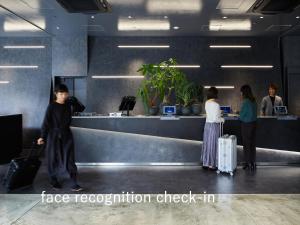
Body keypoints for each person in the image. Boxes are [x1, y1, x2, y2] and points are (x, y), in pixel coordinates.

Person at [37, 84, 83, 191]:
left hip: (66, 135)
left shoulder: (69, 104)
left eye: (65, 94)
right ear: (56, 94)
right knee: (53, 158)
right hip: (53, 135)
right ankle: (54, 181)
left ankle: (74, 182)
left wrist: (76, 101)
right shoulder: (51, 106)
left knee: (70, 159)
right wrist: (42, 136)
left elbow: (81, 109)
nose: (63, 96)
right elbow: (46, 122)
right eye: (61, 94)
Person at [202, 87, 224, 171]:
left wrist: (218, 112)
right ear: (215, 94)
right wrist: (222, 119)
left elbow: (211, 114)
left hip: (207, 125)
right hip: (213, 126)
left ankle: (206, 163)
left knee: (207, 144)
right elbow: (215, 119)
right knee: (213, 144)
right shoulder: (216, 105)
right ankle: (212, 165)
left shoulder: (206, 103)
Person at [240, 85, 257, 171]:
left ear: (244, 92)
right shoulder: (253, 101)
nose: (241, 94)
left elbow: (241, 116)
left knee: (246, 144)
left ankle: (247, 163)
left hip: (246, 125)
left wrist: (239, 114)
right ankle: (253, 163)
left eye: (241, 92)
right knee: (252, 144)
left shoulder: (245, 102)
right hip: (254, 124)